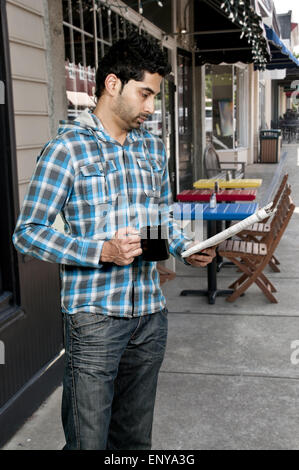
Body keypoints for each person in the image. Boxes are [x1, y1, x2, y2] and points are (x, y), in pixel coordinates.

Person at [13, 32, 215, 450]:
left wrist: (184, 247)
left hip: (149, 316)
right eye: (144, 94)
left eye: (154, 96)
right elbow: (27, 234)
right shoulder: (66, 149)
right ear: (111, 84)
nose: (150, 107)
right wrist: (100, 251)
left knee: (135, 443)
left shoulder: (153, 149)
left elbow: (159, 218)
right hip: (94, 321)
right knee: (89, 443)